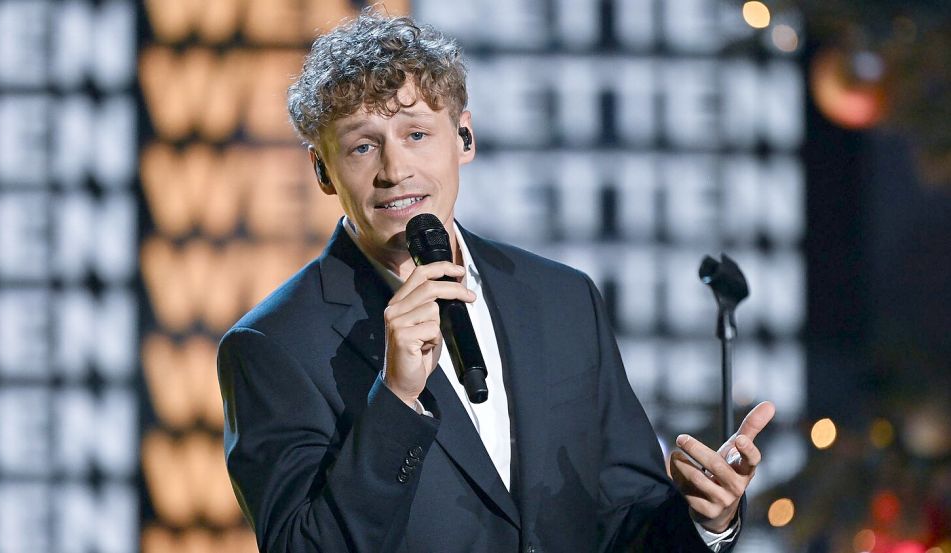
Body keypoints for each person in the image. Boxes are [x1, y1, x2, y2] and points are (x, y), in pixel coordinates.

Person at [217, 10, 776, 553]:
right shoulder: (274, 345)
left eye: (417, 134)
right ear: (322, 170)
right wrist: (396, 400)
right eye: (363, 146)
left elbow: (624, 520)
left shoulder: (562, 299)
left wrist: (706, 520)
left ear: (464, 137)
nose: (395, 170)